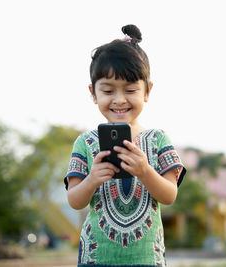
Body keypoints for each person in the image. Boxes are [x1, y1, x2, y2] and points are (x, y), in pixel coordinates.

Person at [64, 24, 186, 266]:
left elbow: (170, 195)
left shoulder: (159, 139)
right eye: (108, 90)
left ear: (147, 91)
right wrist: (93, 179)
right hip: (97, 259)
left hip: (146, 259)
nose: (119, 100)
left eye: (130, 90)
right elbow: (74, 200)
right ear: (93, 93)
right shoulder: (85, 143)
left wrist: (145, 171)